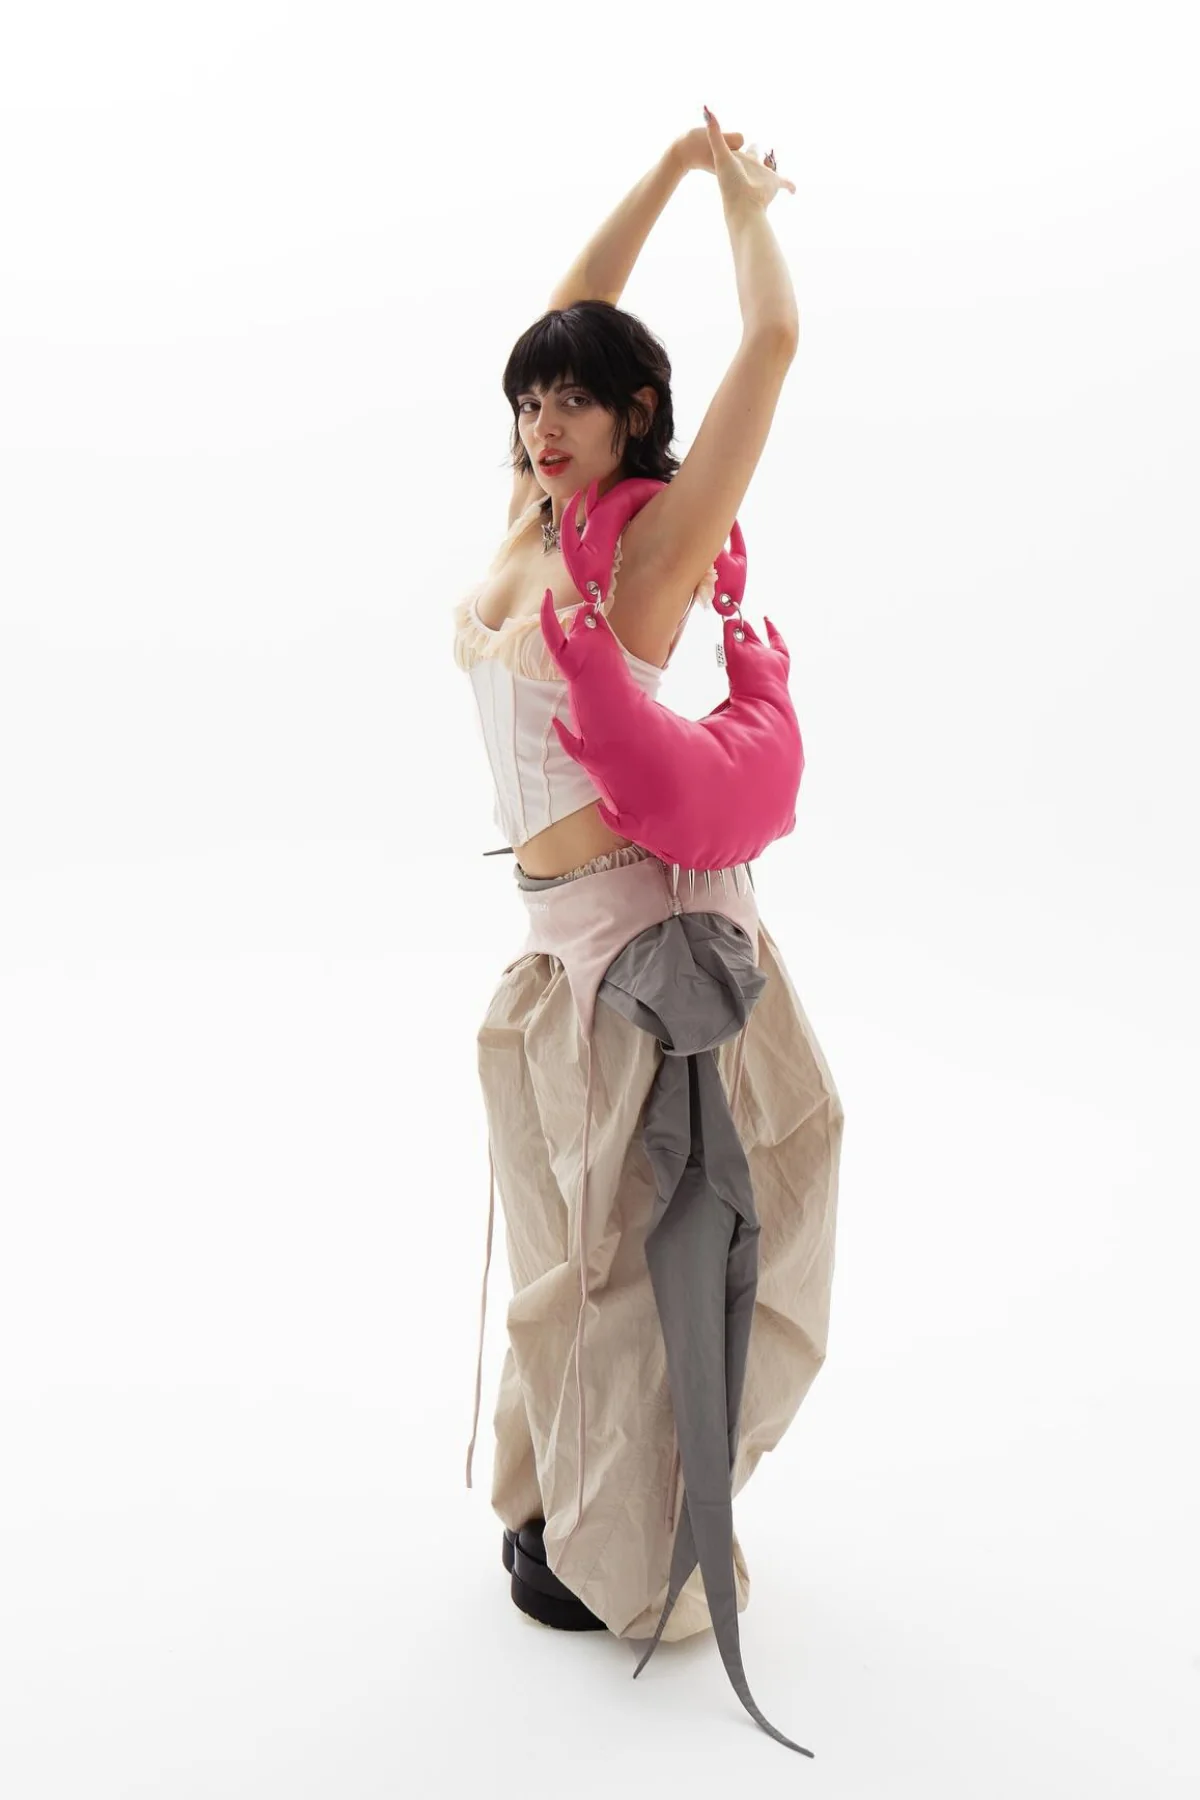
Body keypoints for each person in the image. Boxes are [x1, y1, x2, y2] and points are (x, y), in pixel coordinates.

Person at [449, 110, 844, 1756]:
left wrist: (742, 206)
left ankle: (642, 1556)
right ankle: (558, 1498)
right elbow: (573, 313)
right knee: (568, 1261)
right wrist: (669, 173)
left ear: (638, 420)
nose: (543, 423)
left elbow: (773, 343)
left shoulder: (650, 554)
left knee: (644, 1271)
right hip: (555, 963)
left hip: (648, 971)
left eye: (575, 401)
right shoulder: (532, 524)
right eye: (528, 399)